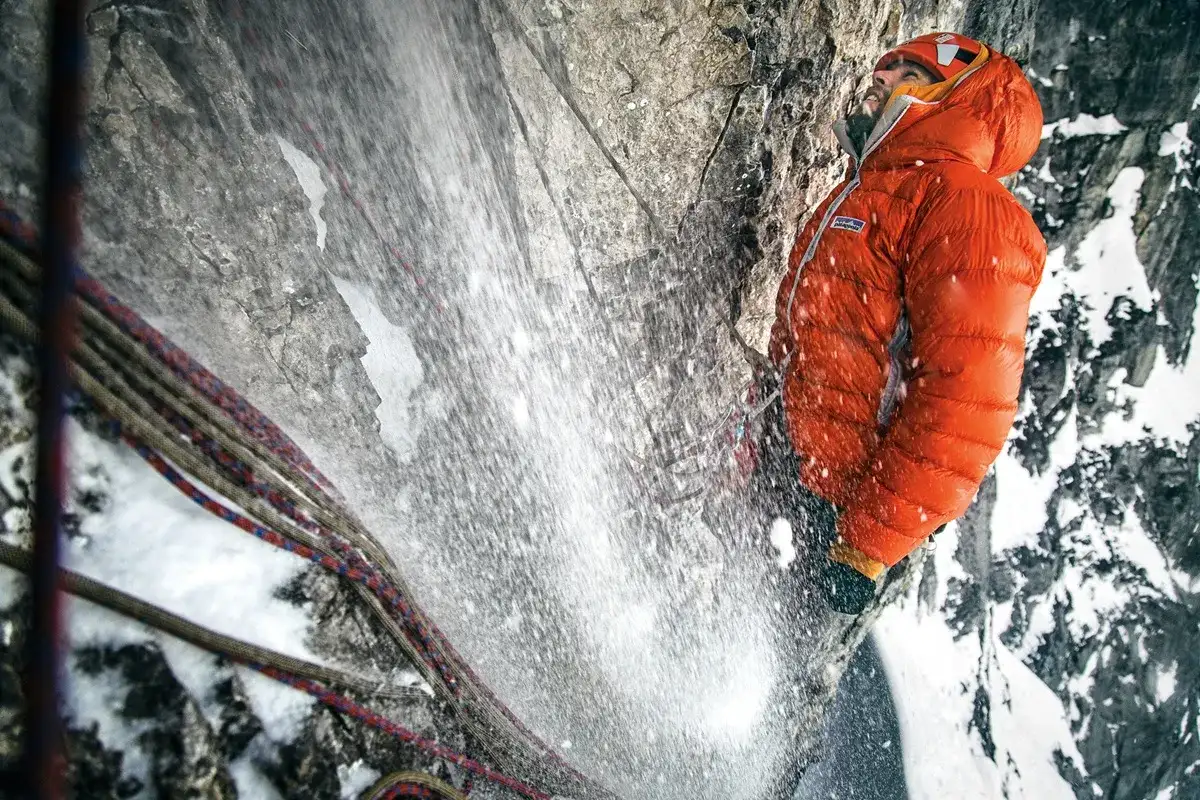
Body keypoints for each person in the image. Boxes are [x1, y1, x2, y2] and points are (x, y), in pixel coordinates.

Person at [753, 32, 1047, 615]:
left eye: (905, 73)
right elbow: (817, 328)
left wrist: (867, 543)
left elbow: (966, 404)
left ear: (953, 95)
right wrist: (766, 416)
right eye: (883, 72)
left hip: (839, 513)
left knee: (760, 647)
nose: (879, 84)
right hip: (786, 462)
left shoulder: (967, 209)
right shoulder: (871, 189)